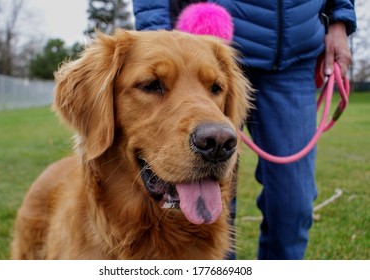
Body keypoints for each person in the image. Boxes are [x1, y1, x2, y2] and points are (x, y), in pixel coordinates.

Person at [132, 0, 356, 260]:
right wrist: (158, 40)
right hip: (208, 49)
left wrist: (340, 20)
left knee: (294, 204)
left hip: (295, 58)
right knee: (204, 201)